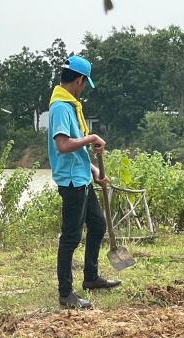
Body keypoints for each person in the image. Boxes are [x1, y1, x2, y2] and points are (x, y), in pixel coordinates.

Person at [48, 55, 121, 309]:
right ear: (79, 80)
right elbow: (63, 145)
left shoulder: (70, 105)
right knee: (70, 237)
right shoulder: (60, 107)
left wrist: (93, 170)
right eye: (84, 83)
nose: (83, 87)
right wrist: (91, 138)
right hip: (70, 181)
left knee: (98, 225)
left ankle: (91, 277)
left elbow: (75, 150)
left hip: (81, 176)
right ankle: (66, 293)